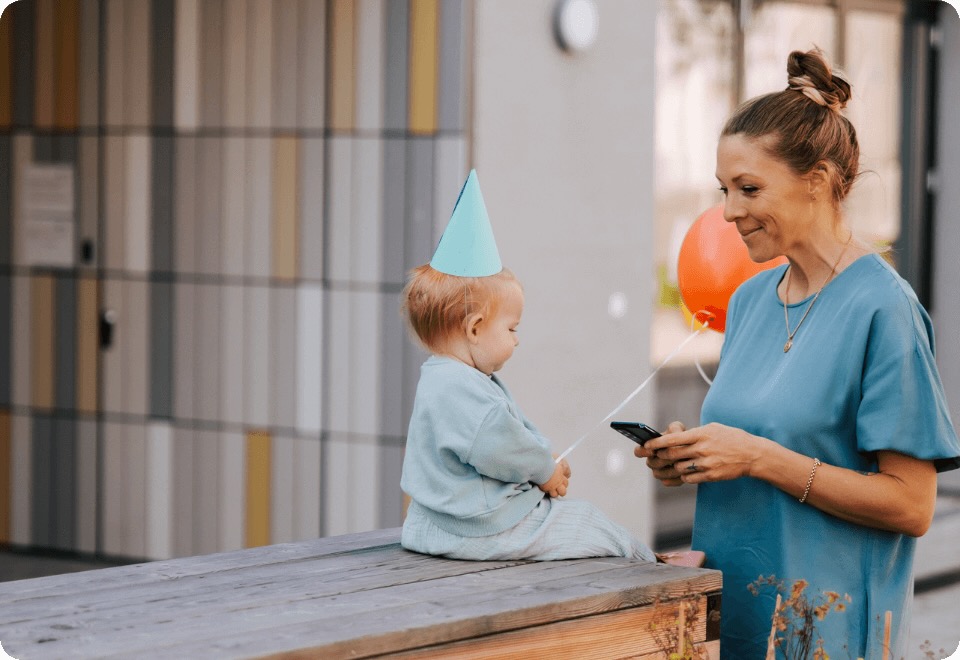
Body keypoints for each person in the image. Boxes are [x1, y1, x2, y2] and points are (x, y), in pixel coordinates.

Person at [636, 48, 960, 658]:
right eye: (724, 189)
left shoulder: (884, 309)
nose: (729, 212)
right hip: (732, 617)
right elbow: (753, 443)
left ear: (816, 181)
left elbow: (913, 505)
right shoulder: (752, 300)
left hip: (824, 629)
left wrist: (759, 457)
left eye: (749, 188)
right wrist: (690, 458)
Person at [400, 170, 685, 564]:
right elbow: (502, 445)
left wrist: (543, 462)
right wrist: (543, 470)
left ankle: (649, 559)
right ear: (475, 328)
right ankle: (652, 564)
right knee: (587, 523)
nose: (517, 338)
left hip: (436, 522)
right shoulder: (463, 388)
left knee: (580, 523)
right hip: (479, 528)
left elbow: (504, 440)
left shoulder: (441, 378)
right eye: (512, 328)